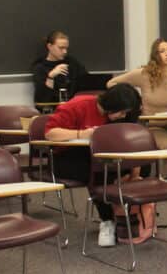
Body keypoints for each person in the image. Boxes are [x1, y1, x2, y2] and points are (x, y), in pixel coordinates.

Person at [44, 83, 143, 248]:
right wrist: (83, 134)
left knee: (135, 166)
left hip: (98, 157)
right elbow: (50, 133)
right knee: (101, 170)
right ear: (112, 105)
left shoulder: (121, 116)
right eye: (122, 111)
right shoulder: (78, 105)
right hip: (66, 158)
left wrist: (134, 173)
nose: (123, 116)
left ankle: (125, 217)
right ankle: (108, 221)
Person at [107, 38, 167, 191]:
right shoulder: (144, 74)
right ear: (156, 55)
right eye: (162, 51)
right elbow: (111, 83)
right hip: (153, 126)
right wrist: (134, 102)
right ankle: (164, 179)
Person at [31, 30, 89, 109]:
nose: (65, 51)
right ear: (49, 46)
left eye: (66, 48)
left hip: (73, 107)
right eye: (61, 48)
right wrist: (51, 76)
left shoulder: (72, 63)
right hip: (52, 110)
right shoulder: (40, 67)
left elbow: (87, 80)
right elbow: (42, 101)